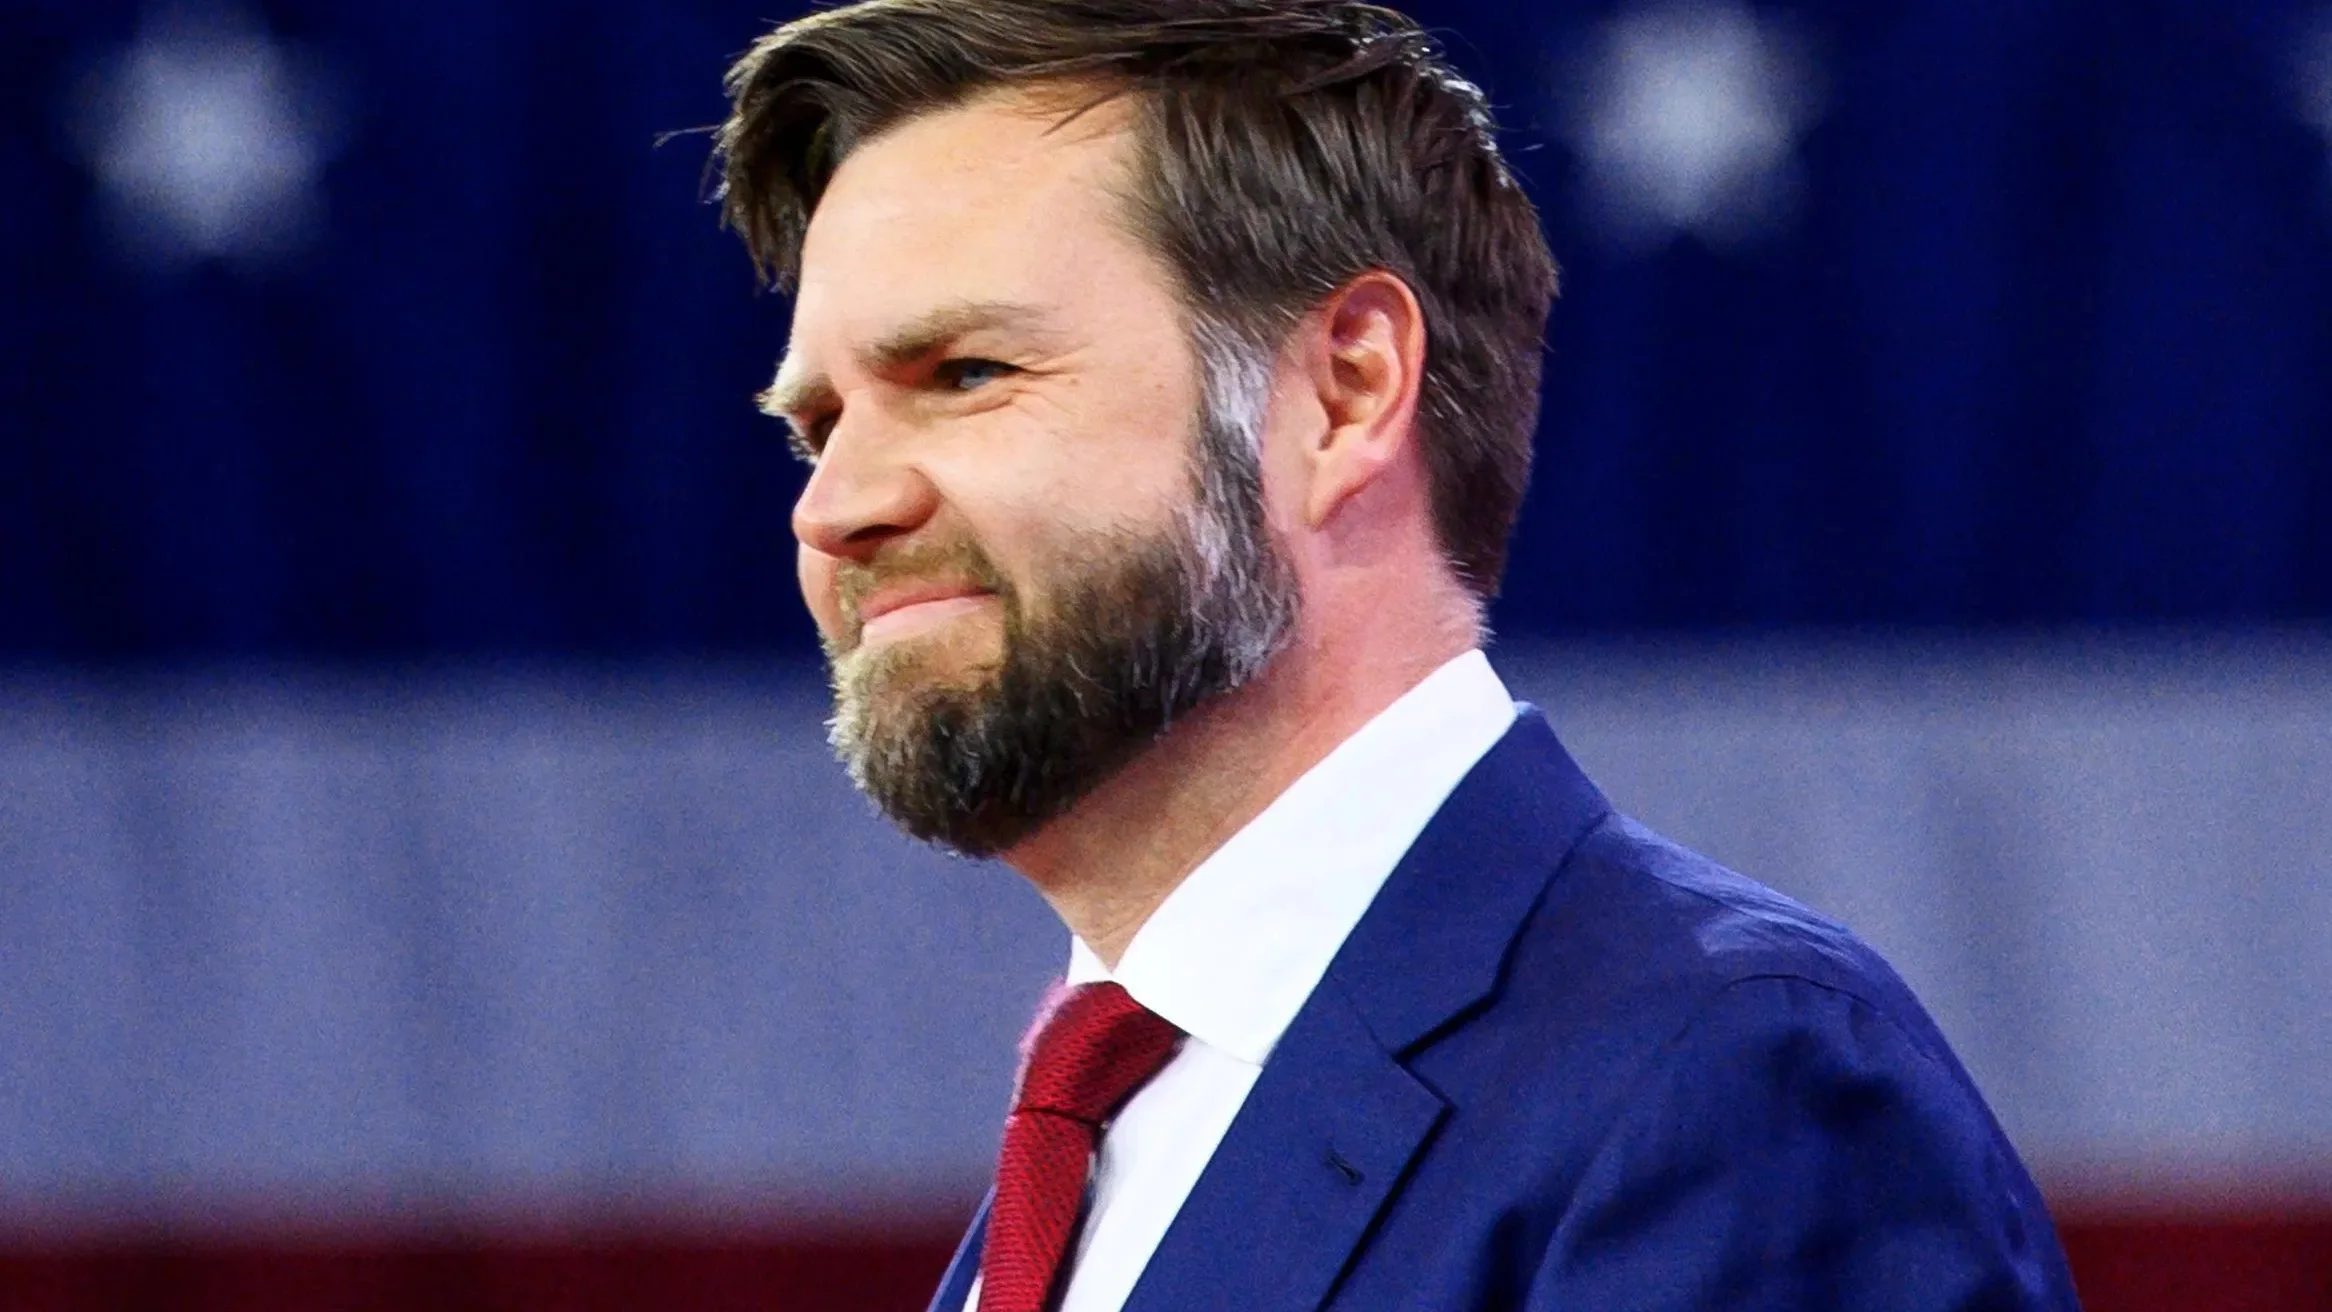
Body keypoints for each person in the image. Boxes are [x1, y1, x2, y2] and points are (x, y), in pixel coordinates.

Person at [710, 2, 2083, 1309]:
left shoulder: (1724, 1085)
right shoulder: (1103, 1135)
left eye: (965, 375)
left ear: (1345, 393)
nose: (834, 508)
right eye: (817, 427)